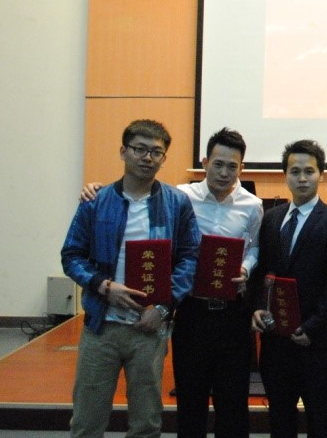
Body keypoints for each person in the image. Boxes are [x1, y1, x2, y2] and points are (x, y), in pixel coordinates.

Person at [81, 128, 264, 438]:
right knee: (190, 399)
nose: (224, 172)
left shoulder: (252, 205)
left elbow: (255, 246)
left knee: (233, 404)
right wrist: (94, 189)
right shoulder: (179, 198)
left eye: (232, 166)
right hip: (190, 309)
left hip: (232, 313)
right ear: (204, 162)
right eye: (218, 164)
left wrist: (246, 268)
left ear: (241, 168)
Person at [61, 119, 201, 438]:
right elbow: (71, 255)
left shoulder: (176, 203)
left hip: (149, 328)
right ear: (123, 151)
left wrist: (163, 309)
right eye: (140, 149)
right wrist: (103, 286)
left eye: (156, 152)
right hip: (102, 327)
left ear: (164, 158)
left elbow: (190, 258)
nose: (147, 158)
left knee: (146, 423)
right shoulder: (96, 201)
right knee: (86, 421)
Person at [250, 140, 327, 438]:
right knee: (280, 417)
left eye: (309, 171)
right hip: (275, 339)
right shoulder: (272, 218)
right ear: (285, 175)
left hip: (314, 341)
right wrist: (256, 308)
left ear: (321, 174)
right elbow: (261, 272)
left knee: (319, 416)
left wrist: (312, 327)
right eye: (295, 171)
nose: (302, 178)